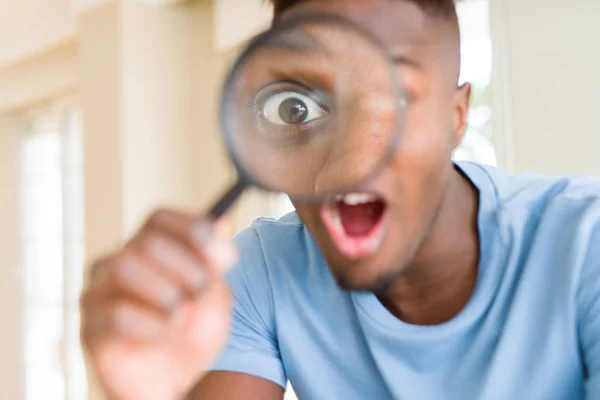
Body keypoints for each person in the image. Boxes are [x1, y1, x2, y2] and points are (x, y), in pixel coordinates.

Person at [80, 0, 600, 399]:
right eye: (295, 108)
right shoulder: (260, 269)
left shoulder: (586, 244)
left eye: (398, 96)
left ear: (456, 116)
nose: (346, 167)